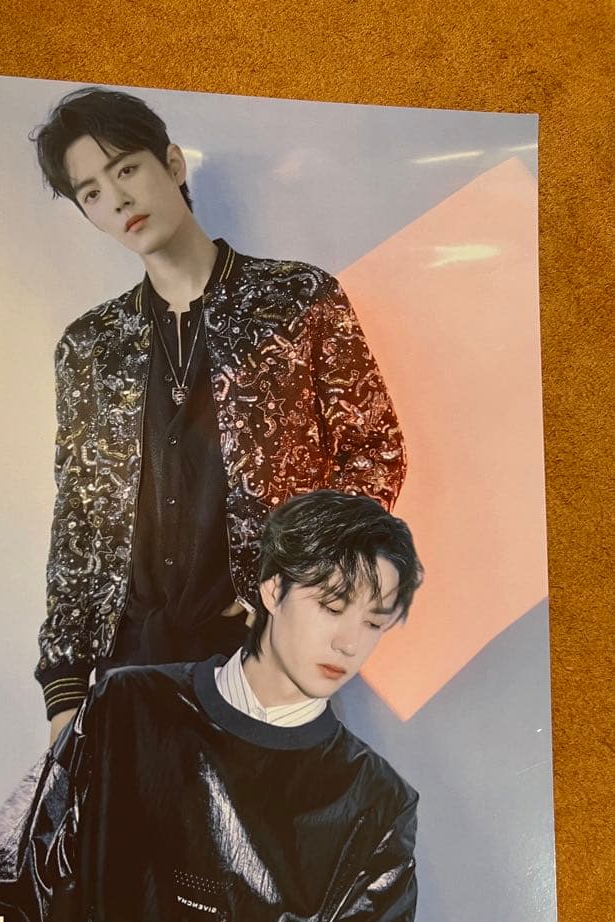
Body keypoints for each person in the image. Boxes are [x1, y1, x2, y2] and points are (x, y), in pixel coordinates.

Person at [0, 491, 423, 922]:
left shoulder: (379, 800)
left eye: (373, 623)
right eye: (332, 606)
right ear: (272, 589)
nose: (350, 643)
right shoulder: (124, 706)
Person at [31, 87, 408, 739]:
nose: (116, 198)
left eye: (126, 169)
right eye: (90, 192)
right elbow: (80, 523)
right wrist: (65, 687)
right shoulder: (91, 347)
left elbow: (374, 449)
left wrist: (304, 586)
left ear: (172, 164)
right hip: (135, 664)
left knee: (274, 809)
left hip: (266, 657)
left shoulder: (296, 299)